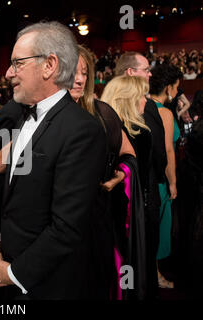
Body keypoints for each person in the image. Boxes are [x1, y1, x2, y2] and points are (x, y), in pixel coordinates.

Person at [0, 21, 106, 299]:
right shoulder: (23, 116)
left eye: (17, 63)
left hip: (49, 283)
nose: (8, 72)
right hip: (11, 272)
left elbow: (67, 227)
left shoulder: (82, 130)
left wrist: (14, 273)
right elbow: (12, 198)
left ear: (49, 65)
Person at [69, 45, 136, 299]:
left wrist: (118, 176)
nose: (79, 78)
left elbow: (129, 154)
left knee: (96, 283)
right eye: (73, 71)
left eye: (84, 72)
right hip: (59, 222)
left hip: (97, 216)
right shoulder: (46, 116)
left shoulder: (102, 112)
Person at [115, 51, 167, 298]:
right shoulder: (147, 109)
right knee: (143, 258)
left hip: (119, 205)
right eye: (145, 69)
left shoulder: (106, 112)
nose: (149, 74)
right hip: (143, 201)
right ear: (130, 73)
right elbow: (160, 156)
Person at [101, 75, 151, 299]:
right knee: (125, 256)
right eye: (142, 95)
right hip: (120, 205)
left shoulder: (131, 129)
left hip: (125, 201)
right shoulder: (130, 132)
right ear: (128, 99)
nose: (146, 101)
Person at [149, 64, 183, 289]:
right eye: (177, 88)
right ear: (169, 87)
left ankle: (150, 274)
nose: (177, 93)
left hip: (145, 178)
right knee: (158, 231)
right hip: (160, 181)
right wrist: (173, 182)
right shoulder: (164, 112)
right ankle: (156, 276)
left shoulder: (143, 106)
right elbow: (168, 151)